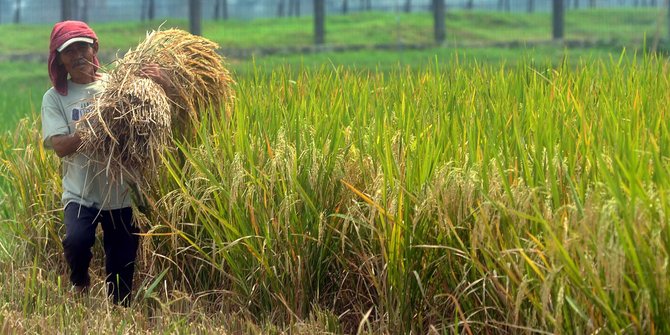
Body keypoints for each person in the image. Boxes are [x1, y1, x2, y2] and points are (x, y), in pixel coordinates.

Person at [41, 20, 166, 306]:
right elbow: (60, 146)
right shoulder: (55, 98)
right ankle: (80, 281)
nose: (77, 56)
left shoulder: (119, 87)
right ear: (59, 58)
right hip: (80, 192)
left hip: (121, 191)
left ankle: (119, 312)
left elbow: (149, 120)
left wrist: (156, 81)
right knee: (76, 241)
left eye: (82, 47)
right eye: (69, 51)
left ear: (94, 47)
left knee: (122, 260)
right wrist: (96, 128)